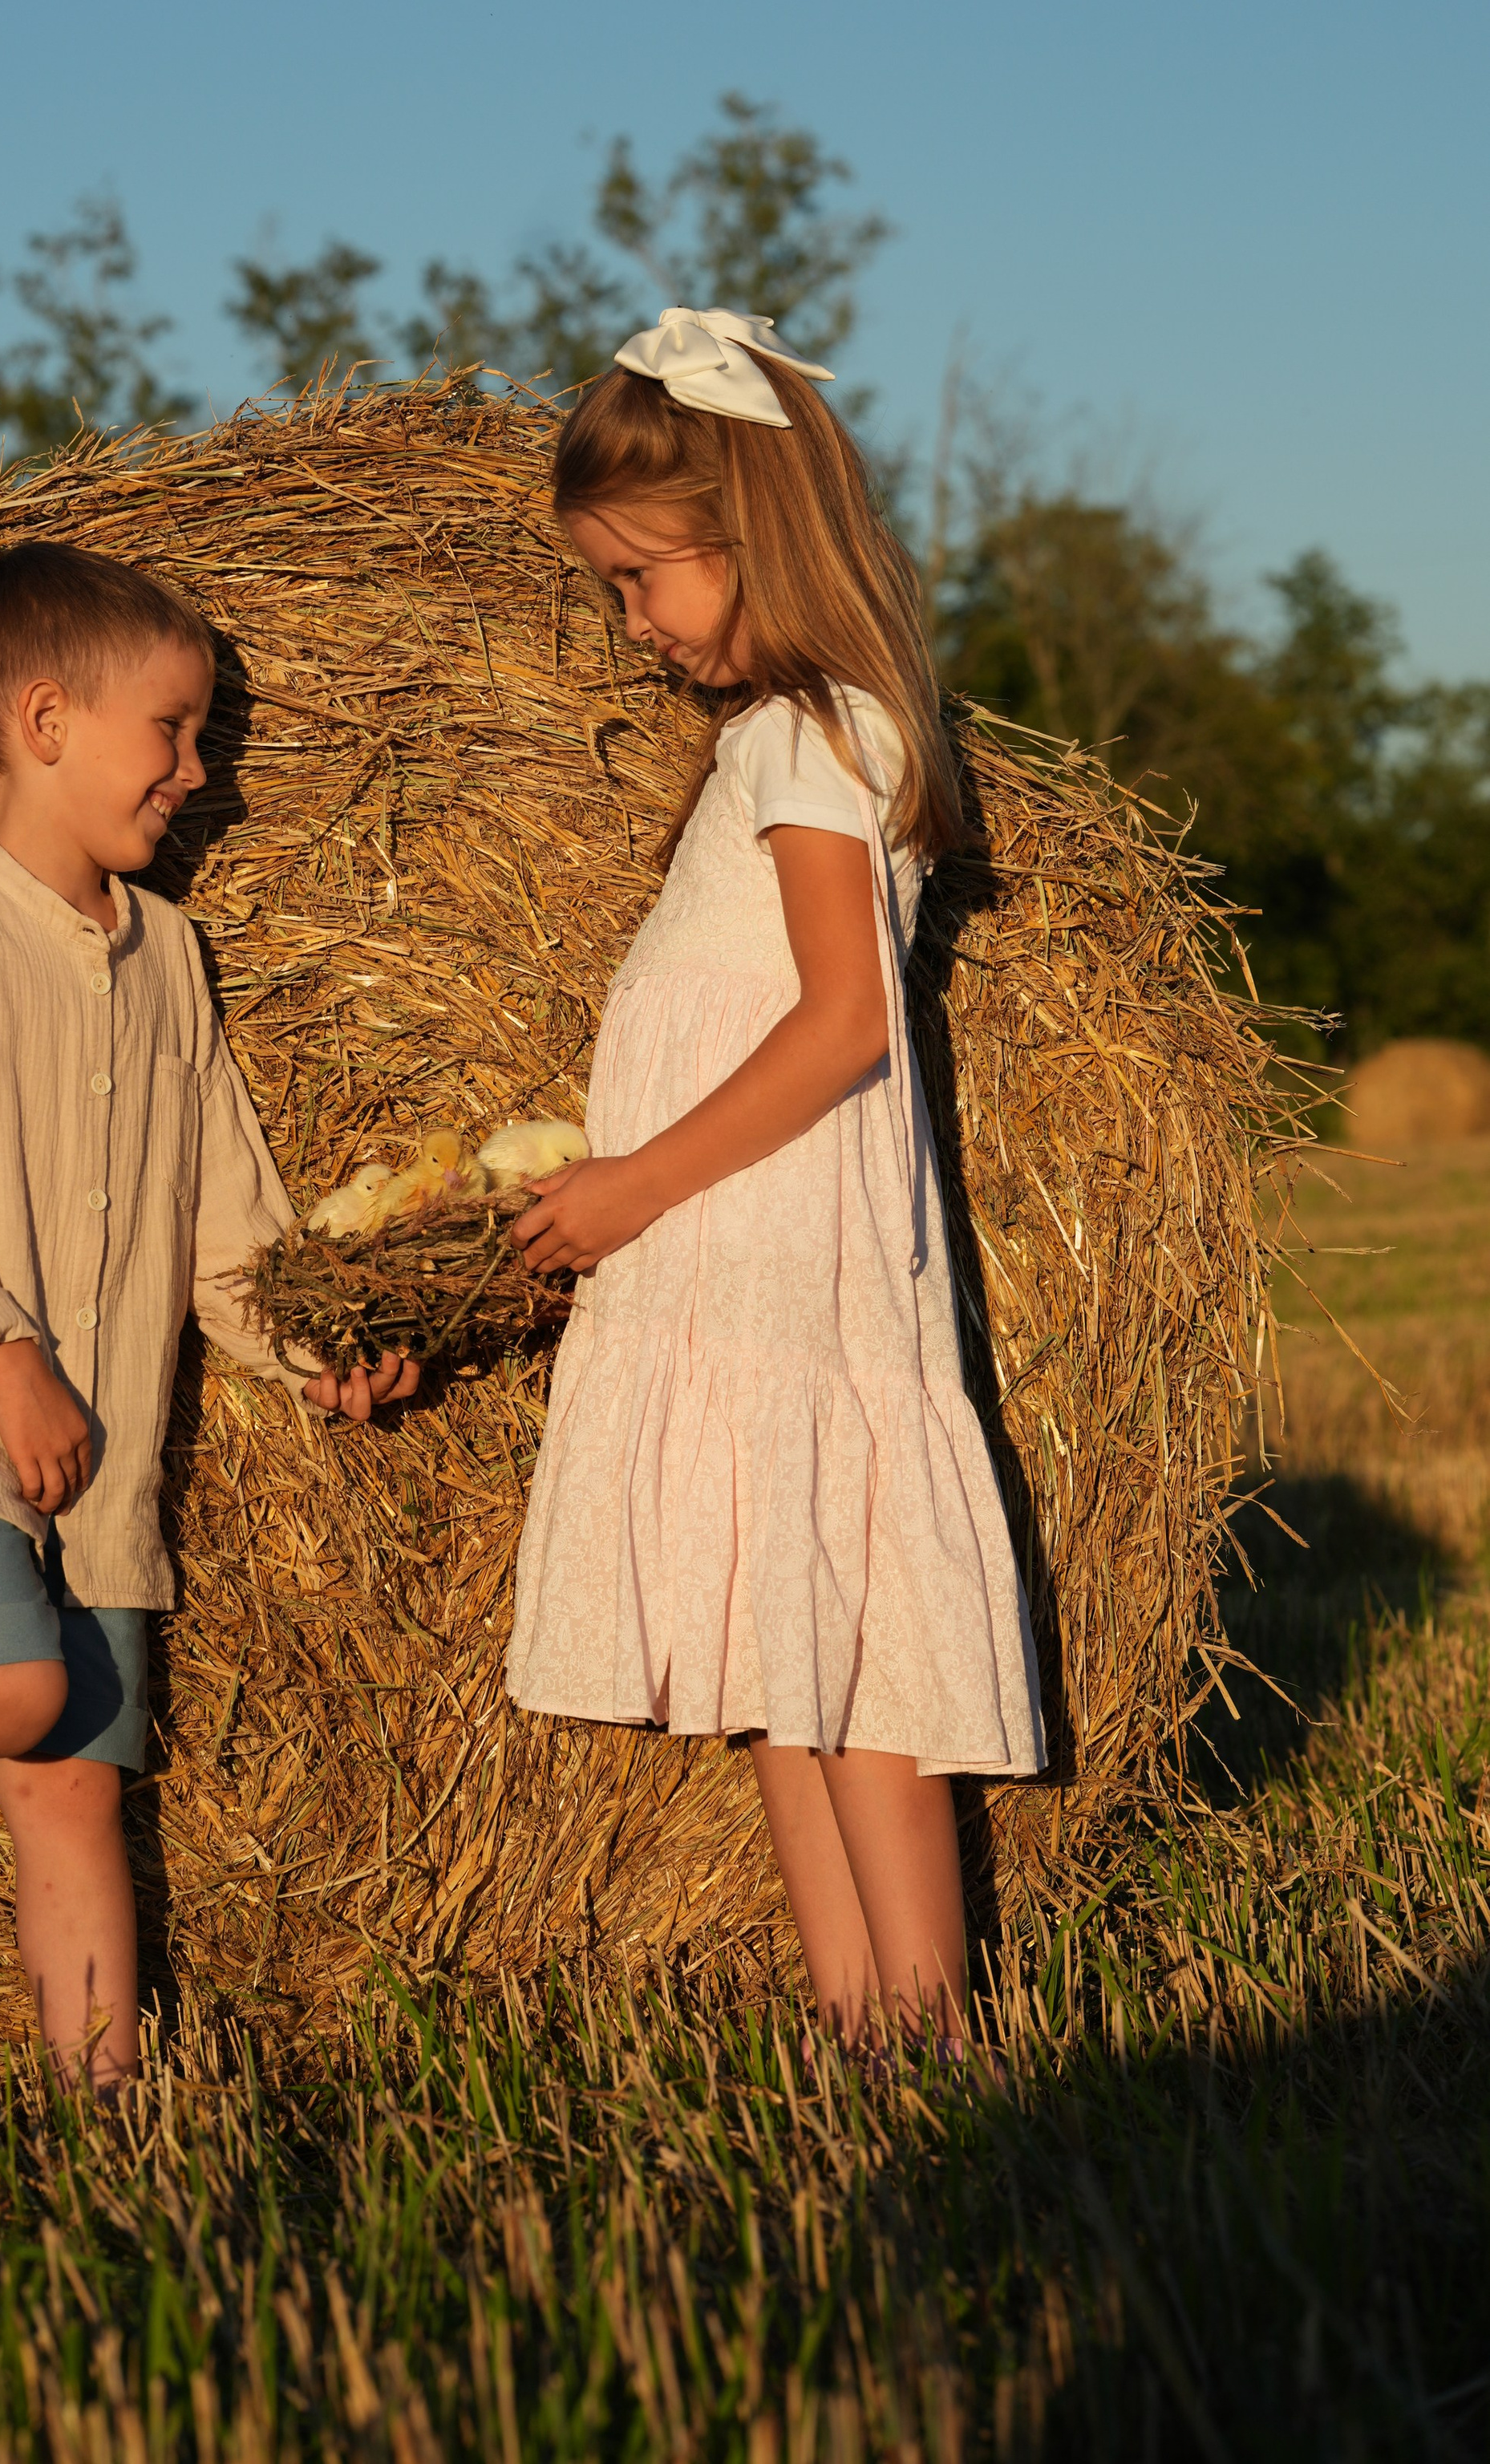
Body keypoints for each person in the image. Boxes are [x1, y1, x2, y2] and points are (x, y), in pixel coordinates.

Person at [0, 539, 414, 2093]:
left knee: (67, 1793)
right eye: (174, 733)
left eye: (203, 738)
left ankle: (102, 2120)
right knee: (9, 1693)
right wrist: (2, 1356)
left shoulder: (172, 962)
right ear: (47, 724)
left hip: (103, 1465)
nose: (199, 774)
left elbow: (224, 1212)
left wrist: (308, 1345)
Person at [507, 309, 1042, 2052]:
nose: (633, 620)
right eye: (608, 588)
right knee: (783, 1678)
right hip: (727, 1253)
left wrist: (631, 1187)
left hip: (762, 1238)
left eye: (643, 577)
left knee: (854, 1680)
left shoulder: (815, 735)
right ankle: (858, 2032)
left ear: (757, 532)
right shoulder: (772, 744)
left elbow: (835, 1029)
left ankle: (932, 2030)